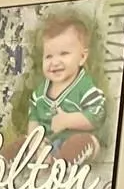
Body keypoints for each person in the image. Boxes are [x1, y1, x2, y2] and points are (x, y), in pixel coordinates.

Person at [7, 12, 106, 163]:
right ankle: (0, 160)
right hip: (47, 143)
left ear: (82, 57)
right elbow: (34, 118)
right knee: (22, 142)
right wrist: (35, 142)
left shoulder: (84, 87)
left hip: (72, 139)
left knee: (84, 142)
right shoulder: (40, 93)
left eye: (64, 54)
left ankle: (59, 162)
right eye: (49, 56)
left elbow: (97, 115)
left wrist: (67, 120)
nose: (55, 62)